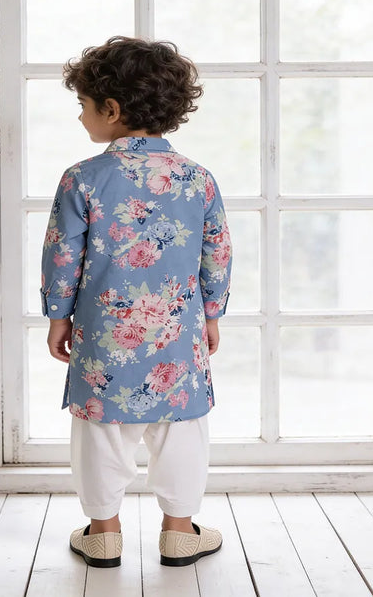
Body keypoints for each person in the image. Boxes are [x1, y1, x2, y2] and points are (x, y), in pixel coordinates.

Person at [40, 36, 232, 568]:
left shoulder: (82, 178)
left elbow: (62, 256)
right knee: (181, 427)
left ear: (111, 109)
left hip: (103, 331)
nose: (81, 116)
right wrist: (212, 315)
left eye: (83, 104)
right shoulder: (197, 179)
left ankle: (103, 534)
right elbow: (217, 254)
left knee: (100, 430)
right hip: (177, 329)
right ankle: (180, 533)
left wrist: (58, 317)